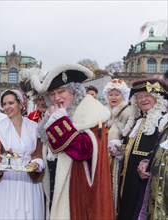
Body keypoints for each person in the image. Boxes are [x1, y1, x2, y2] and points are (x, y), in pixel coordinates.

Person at [29, 64, 114, 219]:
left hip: (78, 191)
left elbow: (84, 151)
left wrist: (60, 121)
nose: (56, 98)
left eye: (62, 91)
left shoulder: (90, 112)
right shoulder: (55, 114)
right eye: (52, 94)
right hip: (56, 185)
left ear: (75, 91)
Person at [0, 89, 45, 219]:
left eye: (10, 103)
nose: (7, 107)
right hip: (6, 183)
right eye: (4, 104)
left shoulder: (34, 127)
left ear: (21, 104)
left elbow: (37, 154)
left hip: (29, 182)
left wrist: (35, 164)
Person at [118, 77, 168, 220]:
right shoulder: (137, 121)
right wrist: (121, 150)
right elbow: (130, 147)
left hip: (147, 179)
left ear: (157, 99)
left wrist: (149, 162)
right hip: (129, 177)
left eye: (147, 96)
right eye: (139, 97)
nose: (143, 99)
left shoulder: (164, 121)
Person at [103, 78, 131, 217]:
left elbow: (129, 137)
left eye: (117, 94)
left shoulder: (128, 112)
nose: (113, 97)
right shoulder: (103, 111)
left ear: (123, 95)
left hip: (117, 160)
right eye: (111, 94)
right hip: (101, 156)